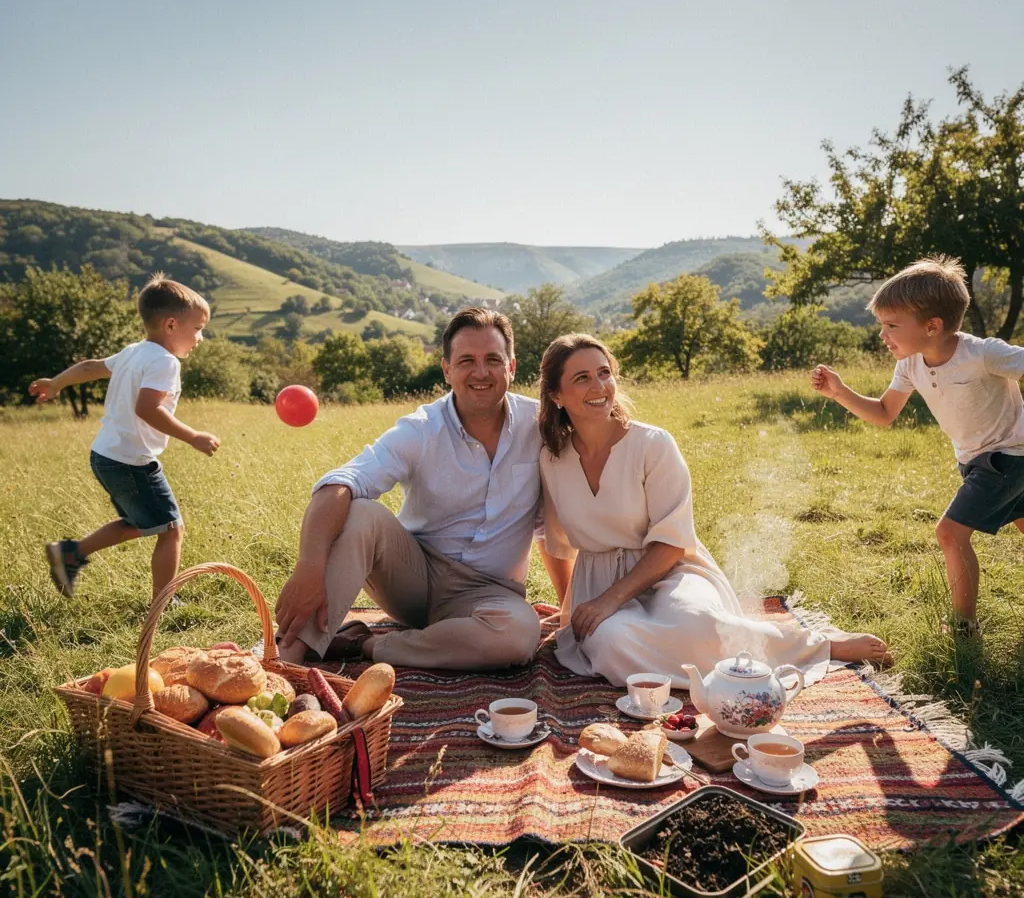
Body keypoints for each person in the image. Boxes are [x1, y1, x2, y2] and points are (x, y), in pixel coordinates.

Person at [537, 333, 888, 688]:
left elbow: (673, 543)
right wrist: (573, 612)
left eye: (604, 373)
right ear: (556, 395)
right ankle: (709, 661)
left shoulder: (652, 444)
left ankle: (817, 645)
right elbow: (558, 544)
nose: (599, 386)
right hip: (598, 581)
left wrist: (608, 601)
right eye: (581, 378)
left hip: (670, 570)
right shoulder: (552, 459)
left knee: (698, 623)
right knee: (611, 643)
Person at [274, 307, 572, 670]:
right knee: (361, 510)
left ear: (510, 367)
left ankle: (364, 647)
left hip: (489, 593)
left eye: (492, 359)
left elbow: (551, 526)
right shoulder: (420, 429)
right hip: (414, 577)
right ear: (447, 369)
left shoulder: (540, 427)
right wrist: (309, 568)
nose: (480, 372)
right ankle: (290, 657)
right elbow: (339, 483)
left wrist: (567, 607)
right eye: (466, 361)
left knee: (519, 635)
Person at [812, 256, 1024, 639]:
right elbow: (884, 412)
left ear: (932, 326)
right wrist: (839, 391)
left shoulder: (982, 354)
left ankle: (964, 629)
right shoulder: (910, 365)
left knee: (950, 533)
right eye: (882, 325)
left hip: (1008, 458)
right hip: (974, 461)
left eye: (891, 325)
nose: (883, 335)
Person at [30, 274, 219, 600]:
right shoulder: (164, 362)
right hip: (130, 462)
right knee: (172, 530)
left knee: (139, 522)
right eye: (198, 328)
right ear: (171, 325)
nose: (200, 337)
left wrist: (56, 383)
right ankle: (163, 602)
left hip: (107, 456)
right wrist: (193, 436)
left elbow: (91, 367)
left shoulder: (134, 351)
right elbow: (147, 409)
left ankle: (70, 554)